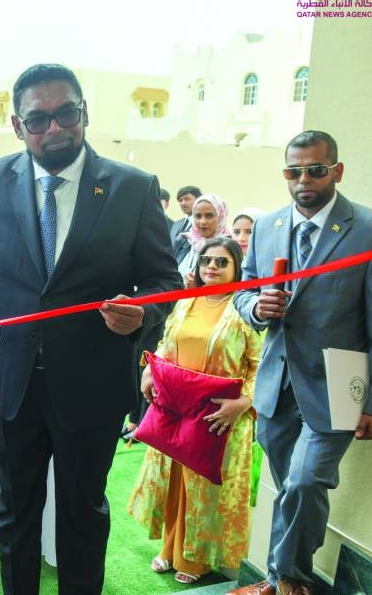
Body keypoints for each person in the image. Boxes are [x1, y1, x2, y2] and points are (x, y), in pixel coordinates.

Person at [0, 63, 182, 594]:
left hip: (93, 384)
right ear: (18, 126)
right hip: (12, 382)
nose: (55, 128)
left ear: (85, 112)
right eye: (38, 120)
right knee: (15, 512)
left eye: (67, 114)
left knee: (83, 514)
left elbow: (164, 281)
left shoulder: (132, 188)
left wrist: (142, 312)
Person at [229, 131, 372, 595]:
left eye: (316, 170)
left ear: (336, 171)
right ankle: (280, 578)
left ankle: (290, 580)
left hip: (339, 385)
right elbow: (244, 289)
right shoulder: (267, 225)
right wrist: (255, 307)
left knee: (305, 482)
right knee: (290, 487)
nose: (304, 179)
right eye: (294, 171)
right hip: (276, 383)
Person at [127, 237, 262, 584]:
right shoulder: (187, 301)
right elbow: (165, 343)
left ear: (238, 267)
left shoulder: (245, 308)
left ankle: (196, 560)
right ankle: (170, 548)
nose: (211, 267)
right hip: (177, 409)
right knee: (174, 480)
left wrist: (242, 403)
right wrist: (150, 369)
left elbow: (262, 365)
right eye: (206, 261)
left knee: (205, 489)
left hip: (218, 416)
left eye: (221, 261)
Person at [175, 193, 229, 286]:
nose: (203, 222)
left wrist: (197, 289)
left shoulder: (229, 246)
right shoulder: (184, 241)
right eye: (198, 216)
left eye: (209, 216)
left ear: (221, 216)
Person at [170, 185, 201, 261]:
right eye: (180, 200)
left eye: (187, 199)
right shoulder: (176, 224)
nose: (183, 203)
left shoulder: (204, 224)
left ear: (199, 200)